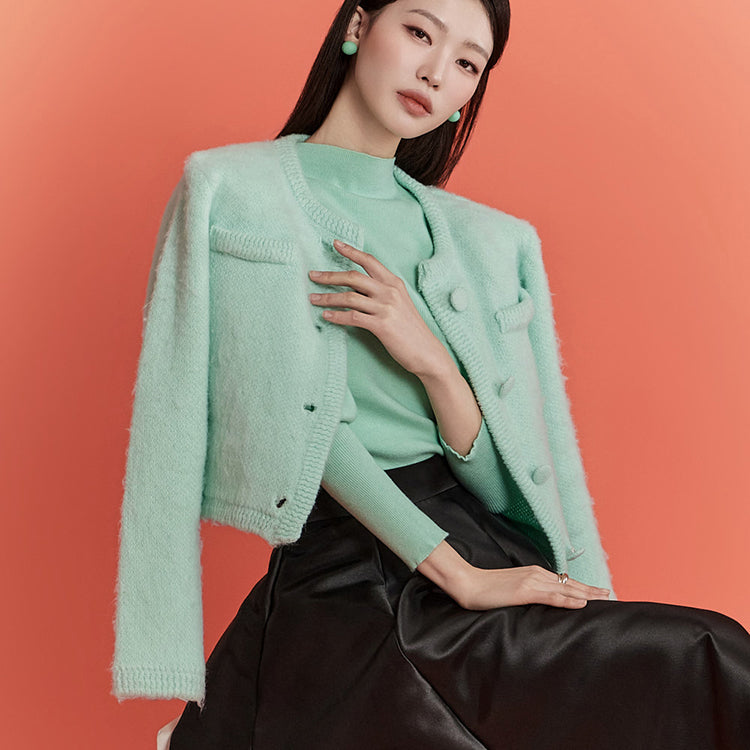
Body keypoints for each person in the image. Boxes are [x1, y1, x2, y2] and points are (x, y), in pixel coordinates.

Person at [110, 1, 750, 747]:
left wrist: (434, 363)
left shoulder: (492, 241)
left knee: (706, 662)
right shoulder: (237, 191)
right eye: (419, 32)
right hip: (361, 567)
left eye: (467, 63)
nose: (436, 73)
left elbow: (507, 489)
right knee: (709, 658)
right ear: (357, 27)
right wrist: (456, 575)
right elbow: (306, 433)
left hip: (487, 548)